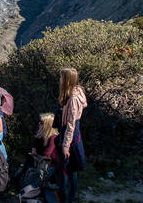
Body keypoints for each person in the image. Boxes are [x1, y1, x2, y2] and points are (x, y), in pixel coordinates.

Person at [57, 68, 87, 203]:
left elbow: (71, 123)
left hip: (70, 136)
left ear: (67, 80)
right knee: (71, 168)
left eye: (61, 78)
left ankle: (66, 197)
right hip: (73, 134)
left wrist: (65, 145)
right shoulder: (75, 93)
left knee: (67, 168)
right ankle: (69, 197)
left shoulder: (73, 99)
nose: (59, 80)